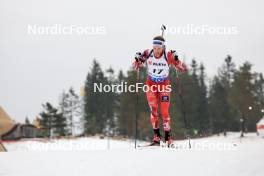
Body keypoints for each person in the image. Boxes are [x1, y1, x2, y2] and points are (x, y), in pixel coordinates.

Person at [133, 36, 187, 146]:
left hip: (164, 86)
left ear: (163, 47)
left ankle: (168, 138)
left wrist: (176, 59)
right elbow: (136, 65)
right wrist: (137, 59)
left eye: (159, 48)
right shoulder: (148, 53)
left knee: (164, 112)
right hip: (151, 85)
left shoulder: (168, 56)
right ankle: (156, 138)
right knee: (153, 111)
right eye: (155, 47)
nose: (157, 50)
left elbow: (182, 68)